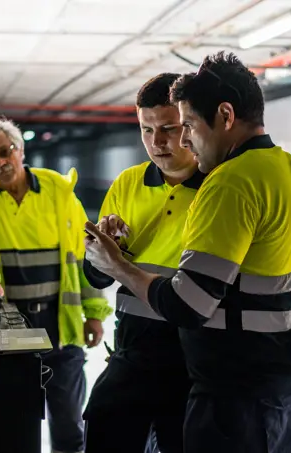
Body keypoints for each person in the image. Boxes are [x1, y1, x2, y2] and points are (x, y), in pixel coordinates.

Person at [84, 51, 291, 453]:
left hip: (231, 387)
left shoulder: (227, 185)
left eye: (183, 126)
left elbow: (189, 304)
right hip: (264, 382)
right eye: (146, 130)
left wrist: (118, 265)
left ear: (224, 115)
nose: (174, 140)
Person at [0, 118, 112, 453]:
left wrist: (94, 311)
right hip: (9, 333)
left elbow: (84, 254)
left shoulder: (57, 191)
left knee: (69, 426)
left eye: (5, 152)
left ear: (20, 149)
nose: (0, 162)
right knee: (13, 423)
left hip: (60, 327)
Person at [82, 73, 200, 453]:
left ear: (191, 125)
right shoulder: (128, 184)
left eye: (168, 128)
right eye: (146, 129)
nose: (157, 141)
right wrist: (105, 252)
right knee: (102, 424)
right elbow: (97, 277)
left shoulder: (220, 186)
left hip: (194, 355)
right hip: (134, 347)